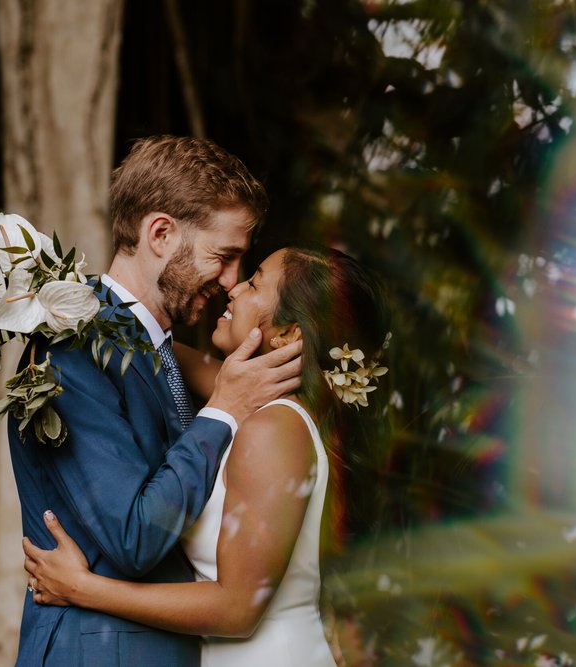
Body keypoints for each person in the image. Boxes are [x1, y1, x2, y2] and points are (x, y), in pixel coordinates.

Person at [7, 136, 304, 666]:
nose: (232, 280)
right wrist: (224, 411)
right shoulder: (70, 346)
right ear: (160, 233)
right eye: (224, 256)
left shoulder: (160, 353)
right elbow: (134, 537)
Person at [23, 247, 392, 667]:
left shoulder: (272, 431)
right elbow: (156, 349)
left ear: (289, 336)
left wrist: (81, 588)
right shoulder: (262, 403)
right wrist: (57, 306)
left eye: (254, 283)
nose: (233, 288)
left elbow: (237, 611)